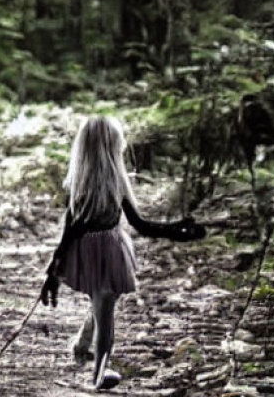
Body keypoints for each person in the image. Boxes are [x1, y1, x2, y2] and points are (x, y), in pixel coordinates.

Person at [40, 116, 206, 390]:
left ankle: (83, 343)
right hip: (97, 252)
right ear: (110, 148)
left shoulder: (112, 183)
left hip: (105, 250)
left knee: (104, 300)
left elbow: (140, 225)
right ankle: (99, 372)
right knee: (105, 305)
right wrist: (52, 272)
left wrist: (178, 231)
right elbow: (69, 232)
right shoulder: (81, 186)